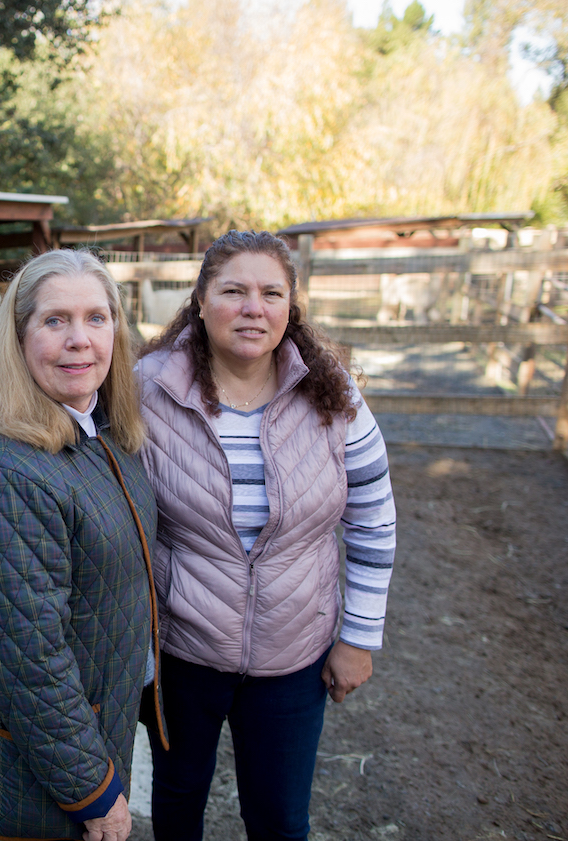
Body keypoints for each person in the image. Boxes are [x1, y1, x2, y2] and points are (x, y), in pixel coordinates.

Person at [134, 230, 396, 841]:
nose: (254, 308)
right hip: (181, 651)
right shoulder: (146, 389)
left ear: (289, 307)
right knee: (177, 803)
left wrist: (358, 638)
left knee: (279, 820)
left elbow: (373, 520)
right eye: (234, 291)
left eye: (271, 293)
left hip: (294, 652)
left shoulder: (334, 396)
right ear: (201, 302)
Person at [0, 248, 168, 841]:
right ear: (17, 338)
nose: (79, 340)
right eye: (55, 320)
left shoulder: (99, 433)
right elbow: (26, 660)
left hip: (94, 724)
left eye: (96, 318)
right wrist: (92, 791)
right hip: (46, 772)